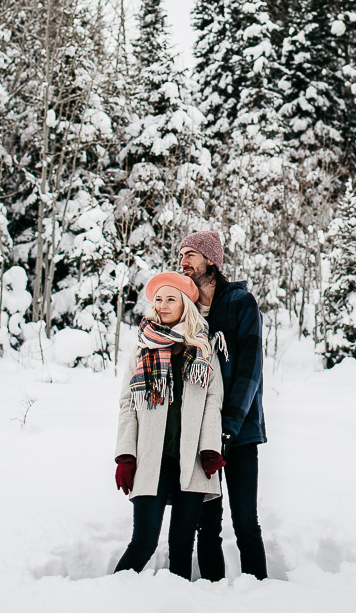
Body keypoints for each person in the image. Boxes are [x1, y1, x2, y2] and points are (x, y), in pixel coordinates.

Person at [113, 271, 226, 581]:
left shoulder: (204, 351)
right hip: (152, 459)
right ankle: (111, 599)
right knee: (144, 542)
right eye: (158, 299)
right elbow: (127, 405)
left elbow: (211, 404)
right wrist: (125, 455)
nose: (162, 305)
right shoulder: (142, 350)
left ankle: (178, 603)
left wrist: (210, 449)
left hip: (190, 460)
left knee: (181, 546)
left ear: (185, 305)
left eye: (170, 299)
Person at [179, 231, 268, 581]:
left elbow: (250, 370)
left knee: (245, 519)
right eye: (181, 255)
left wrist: (230, 425)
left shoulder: (240, 302)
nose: (183, 262)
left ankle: (260, 593)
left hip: (240, 431)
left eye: (190, 255)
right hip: (202, 433)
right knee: (207, 523)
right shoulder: (183, 308)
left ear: (211, 261)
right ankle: (211, 594)